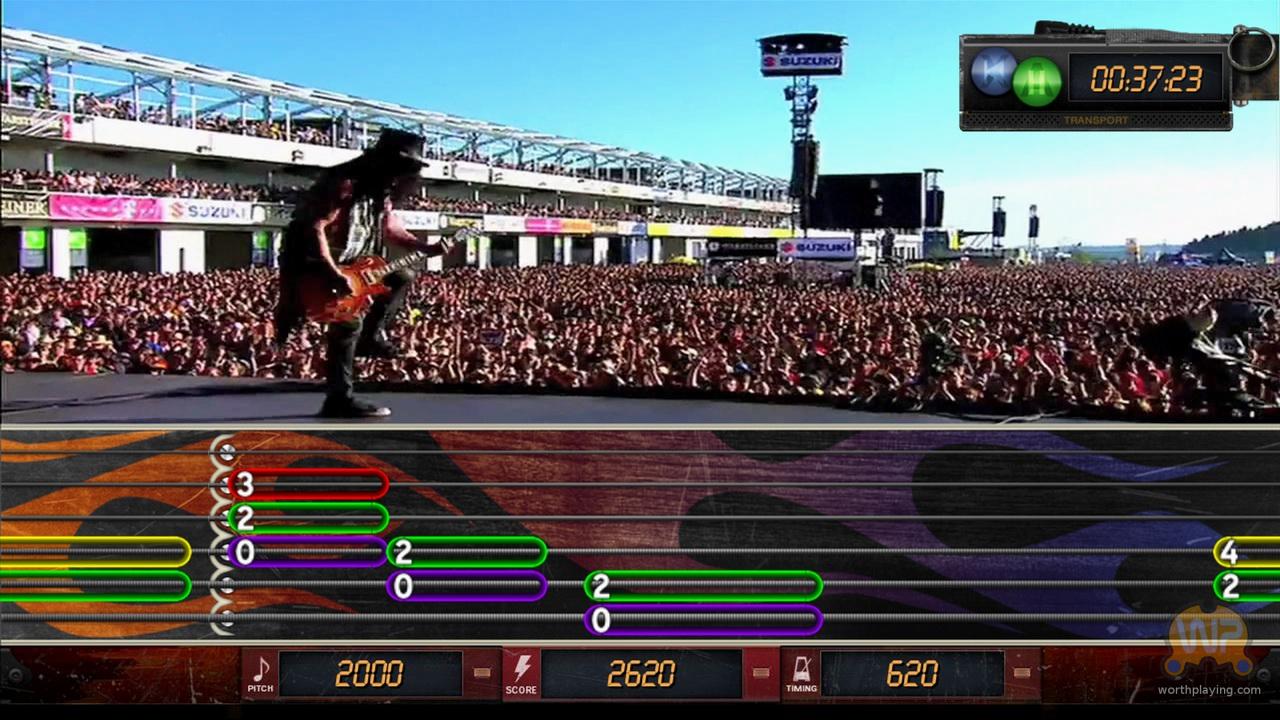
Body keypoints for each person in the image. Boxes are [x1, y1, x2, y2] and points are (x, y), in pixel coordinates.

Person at [274, 129, 452, 418]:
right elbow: (315, 228)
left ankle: (372, 335)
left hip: (354, 262)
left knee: (401, 275)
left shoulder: (380, 189)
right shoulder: (343, 182)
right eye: (402, 169)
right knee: (348, 324)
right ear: (384, 162)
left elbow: (390, 227)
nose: (402, 177)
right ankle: (339, 398)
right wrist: (332, 272)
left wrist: (425, 247)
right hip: (317, 263)